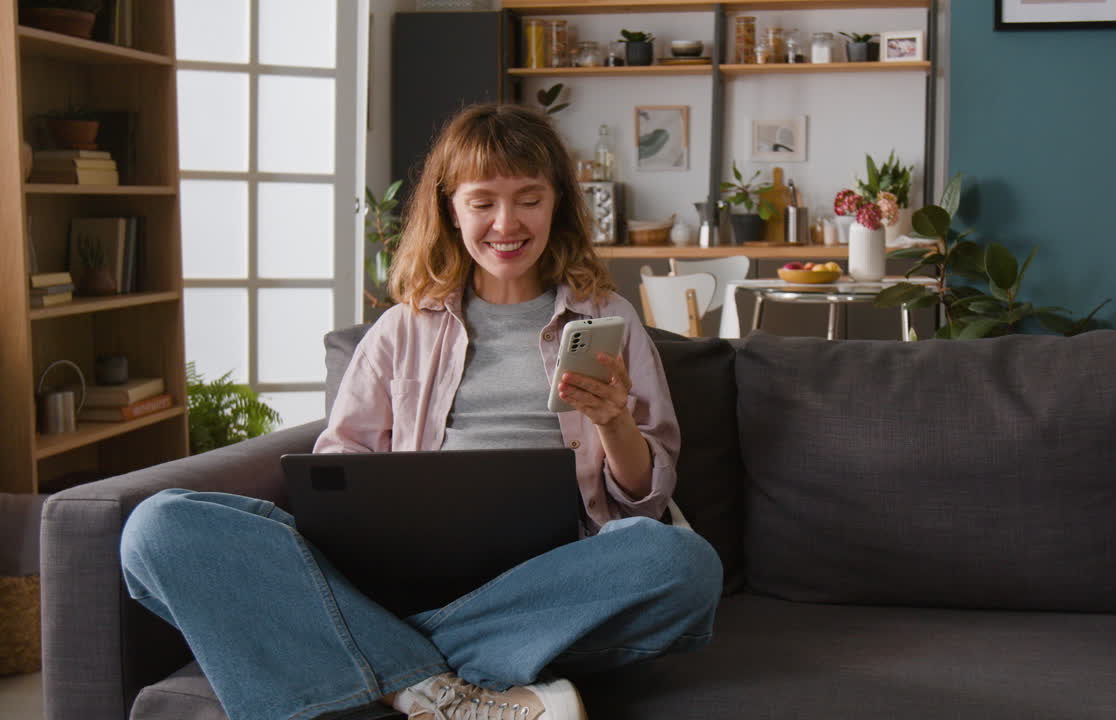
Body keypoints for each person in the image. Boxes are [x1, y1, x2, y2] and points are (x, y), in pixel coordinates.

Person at [120, 103, 723, 720]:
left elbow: (645, 499)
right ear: (450, 207)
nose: (506, 223)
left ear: (557, 204)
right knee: (157, 527)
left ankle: (379, 662)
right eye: (483, 201)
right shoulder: (400, 330)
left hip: (550, 583)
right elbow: (340, 470)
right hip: (397, 576)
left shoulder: (610, 320)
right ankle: (446, 691)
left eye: (528, 199)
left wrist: (615, 422)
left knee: (682, 562)